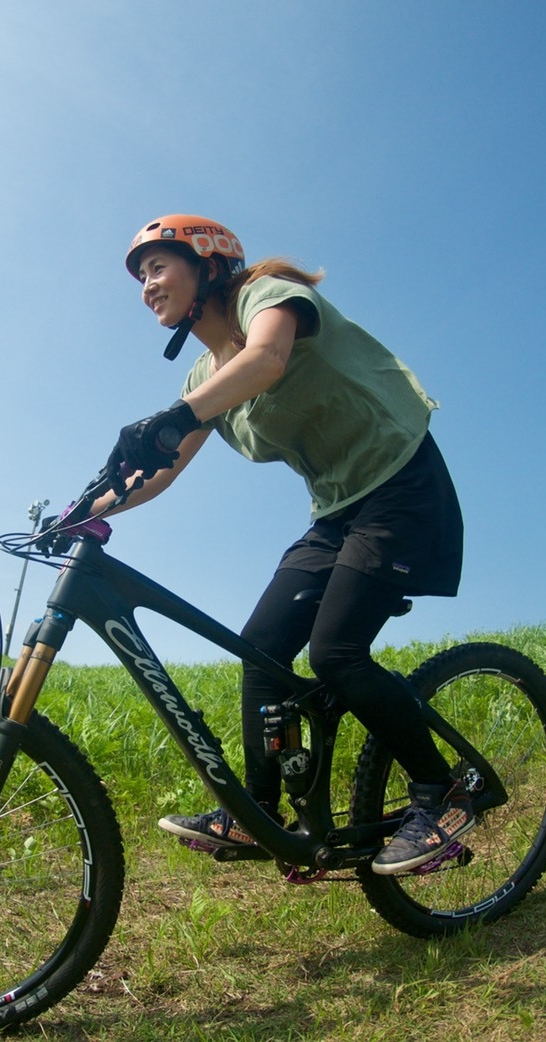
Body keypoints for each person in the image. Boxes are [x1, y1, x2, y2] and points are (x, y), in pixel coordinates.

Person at [95, 214, 469, 876]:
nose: (146, 286)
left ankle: (441, 796)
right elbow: (160, 474)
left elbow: (266, 359)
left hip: (401, 484)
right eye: (140, 276)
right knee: (260, 650)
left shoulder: (262, 296)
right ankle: (258, 814)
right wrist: (81, 512)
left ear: (208, 264)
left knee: (335, 654)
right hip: (336, 512)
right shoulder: (198, 381)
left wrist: (174, 419)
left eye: (157, 267)